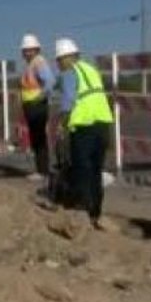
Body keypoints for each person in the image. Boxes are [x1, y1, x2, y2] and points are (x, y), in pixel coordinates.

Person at [53, 37, 115, 230]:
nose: (59, 65)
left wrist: (61, 123)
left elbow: (69, 100)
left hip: (84, 126)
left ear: (65, 58)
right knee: (96, 171)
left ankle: (82, 212)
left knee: (82, 169)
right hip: (102, 125)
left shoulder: (69, 73)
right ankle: (95, 212)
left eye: (59, 61)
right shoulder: (91, 70)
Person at [19, 34, 57, 178]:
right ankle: (41, 169)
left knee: (39, 138)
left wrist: (39, 98)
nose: (27, 52)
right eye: (25, 50)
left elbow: (50, 81)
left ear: (36, 50)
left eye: (30, 50)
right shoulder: (31, 64)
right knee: (36, 138)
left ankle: (43, 171)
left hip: (37, 106)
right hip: (32, 106)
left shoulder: (38, 62)